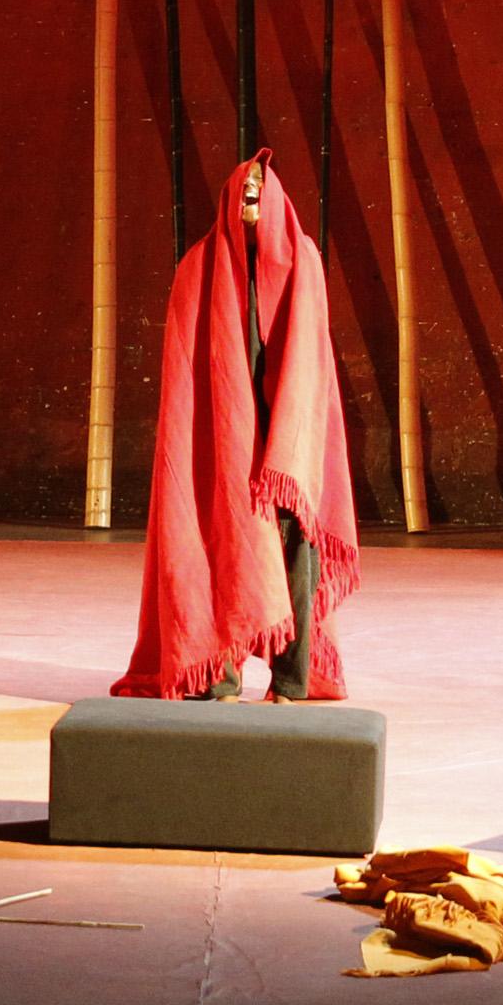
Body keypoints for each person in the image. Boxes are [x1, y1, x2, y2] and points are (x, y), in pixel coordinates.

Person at [113, 151, 359, 702]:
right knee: (218, 538)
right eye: (243, 194)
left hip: (291, 442)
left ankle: (292, 679)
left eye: (258, 194)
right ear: (228, 200)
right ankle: (215, 671)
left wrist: (290, 453)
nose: (251, 203)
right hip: (222, 439)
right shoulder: (197, 268)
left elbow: (311, 365)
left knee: (298, 546)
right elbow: (187, 375)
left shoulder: (304, 262)